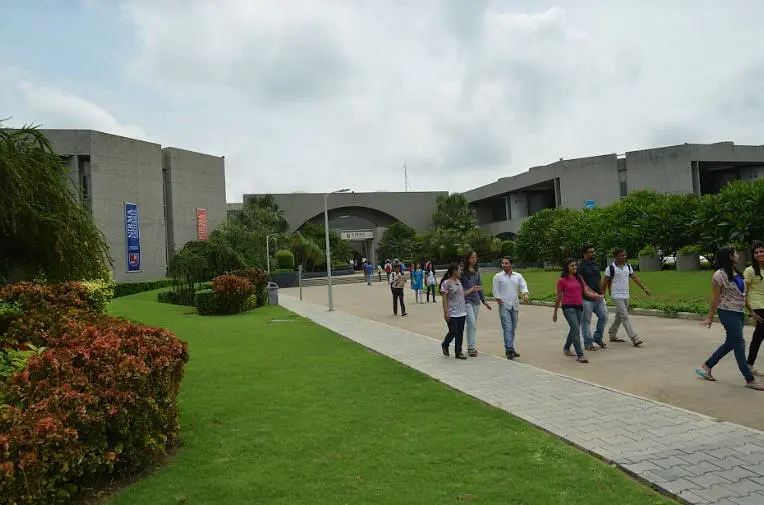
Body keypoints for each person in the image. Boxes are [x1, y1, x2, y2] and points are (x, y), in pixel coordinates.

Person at [695, 245, 764, 390]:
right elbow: (715, 298)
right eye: (735, 253)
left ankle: (707, 366)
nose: (738, 255)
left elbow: (742, 296)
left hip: (738, 312)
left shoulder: (736, 272)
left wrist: (751, 311)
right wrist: (710, 317)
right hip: (727, 312)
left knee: (730, 343)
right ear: (730, 257)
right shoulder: (718, 276)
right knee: (739, 343)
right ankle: (749, 379)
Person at [553, 258, 604, 364]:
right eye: (572, 265)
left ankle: (566, 347)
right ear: (567, 267)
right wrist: (555, 312)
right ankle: (580, 355)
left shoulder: (579, 278)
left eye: (575, 265)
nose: (575, 267)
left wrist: (596, 296)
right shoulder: (562, 280)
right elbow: (558, 297)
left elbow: (585, 291)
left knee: (574, 328)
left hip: (579, 306)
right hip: (568, 307)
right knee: (576, 329)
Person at [602, 249, 650, 347]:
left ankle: (612, 333)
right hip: (616, 295)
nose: (624, 257)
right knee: (625, 316)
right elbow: (605, 282)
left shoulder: (628, 266)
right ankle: (634, 338)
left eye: (624, 255)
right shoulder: (610, 268)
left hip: (626, 295)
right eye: (621, 255)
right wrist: (603, 295)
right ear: (616, 257)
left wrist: (644, 288)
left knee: (619, 316)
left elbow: (634, 277)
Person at [441, 264, 481, 360]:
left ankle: (458, 352)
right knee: (453, 331)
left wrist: (472, 289)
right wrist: (446, 312)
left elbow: (462, 294)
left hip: (461, 311)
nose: (460, 272)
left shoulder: (458, 282)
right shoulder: (446, 283)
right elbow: (444, 298)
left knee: (460, 332)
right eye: (459, 270)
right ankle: (445, 344)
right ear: (454, 271)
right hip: (452, 312)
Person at [492, 257, 529, 360]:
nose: (504, 265)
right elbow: (495, 290)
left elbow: (523, 285)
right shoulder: (498, 277)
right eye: (503, 263)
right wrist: (498, 299)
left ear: (511, 264)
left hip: (514, 305)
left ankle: (511, 347)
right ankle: (509, 350)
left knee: (512, 328)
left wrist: (525, 294)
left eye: (506, 263)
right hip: (504, 305)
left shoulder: (518, 276)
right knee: (507, 327)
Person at [461, 251, 492, 357]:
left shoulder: (477, 271)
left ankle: (471, 346)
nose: (474, 259)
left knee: (472, 325)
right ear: (467, 259)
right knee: (472, 324)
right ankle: (471, 348)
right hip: (466, 301)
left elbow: (480, 287)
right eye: (472, 257)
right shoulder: (462, 272)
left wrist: (484, 301)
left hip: (476, 301)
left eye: (475, 257)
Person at [579, 245, 608, 350]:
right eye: (590, 252)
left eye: (593, 251)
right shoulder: (580, 266)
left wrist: (603, 293)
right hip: (586, 298)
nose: (593, 253)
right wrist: (592, 293)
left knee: (604, 317)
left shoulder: (596, 264)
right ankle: (588, 343)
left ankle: (597, 338)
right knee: (586, 321)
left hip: (599, 297)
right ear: (584, 254)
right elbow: (582, 284)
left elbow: (599, 279)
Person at [745, 241, 764, 374]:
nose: (759, 254)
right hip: (757, 306)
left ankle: (749, 365)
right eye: (756, 252)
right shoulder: (750, 271)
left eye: (761, 251)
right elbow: (744, 293)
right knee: (758, 336)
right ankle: (749, 365)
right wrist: (751, 311)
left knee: (758, 336)